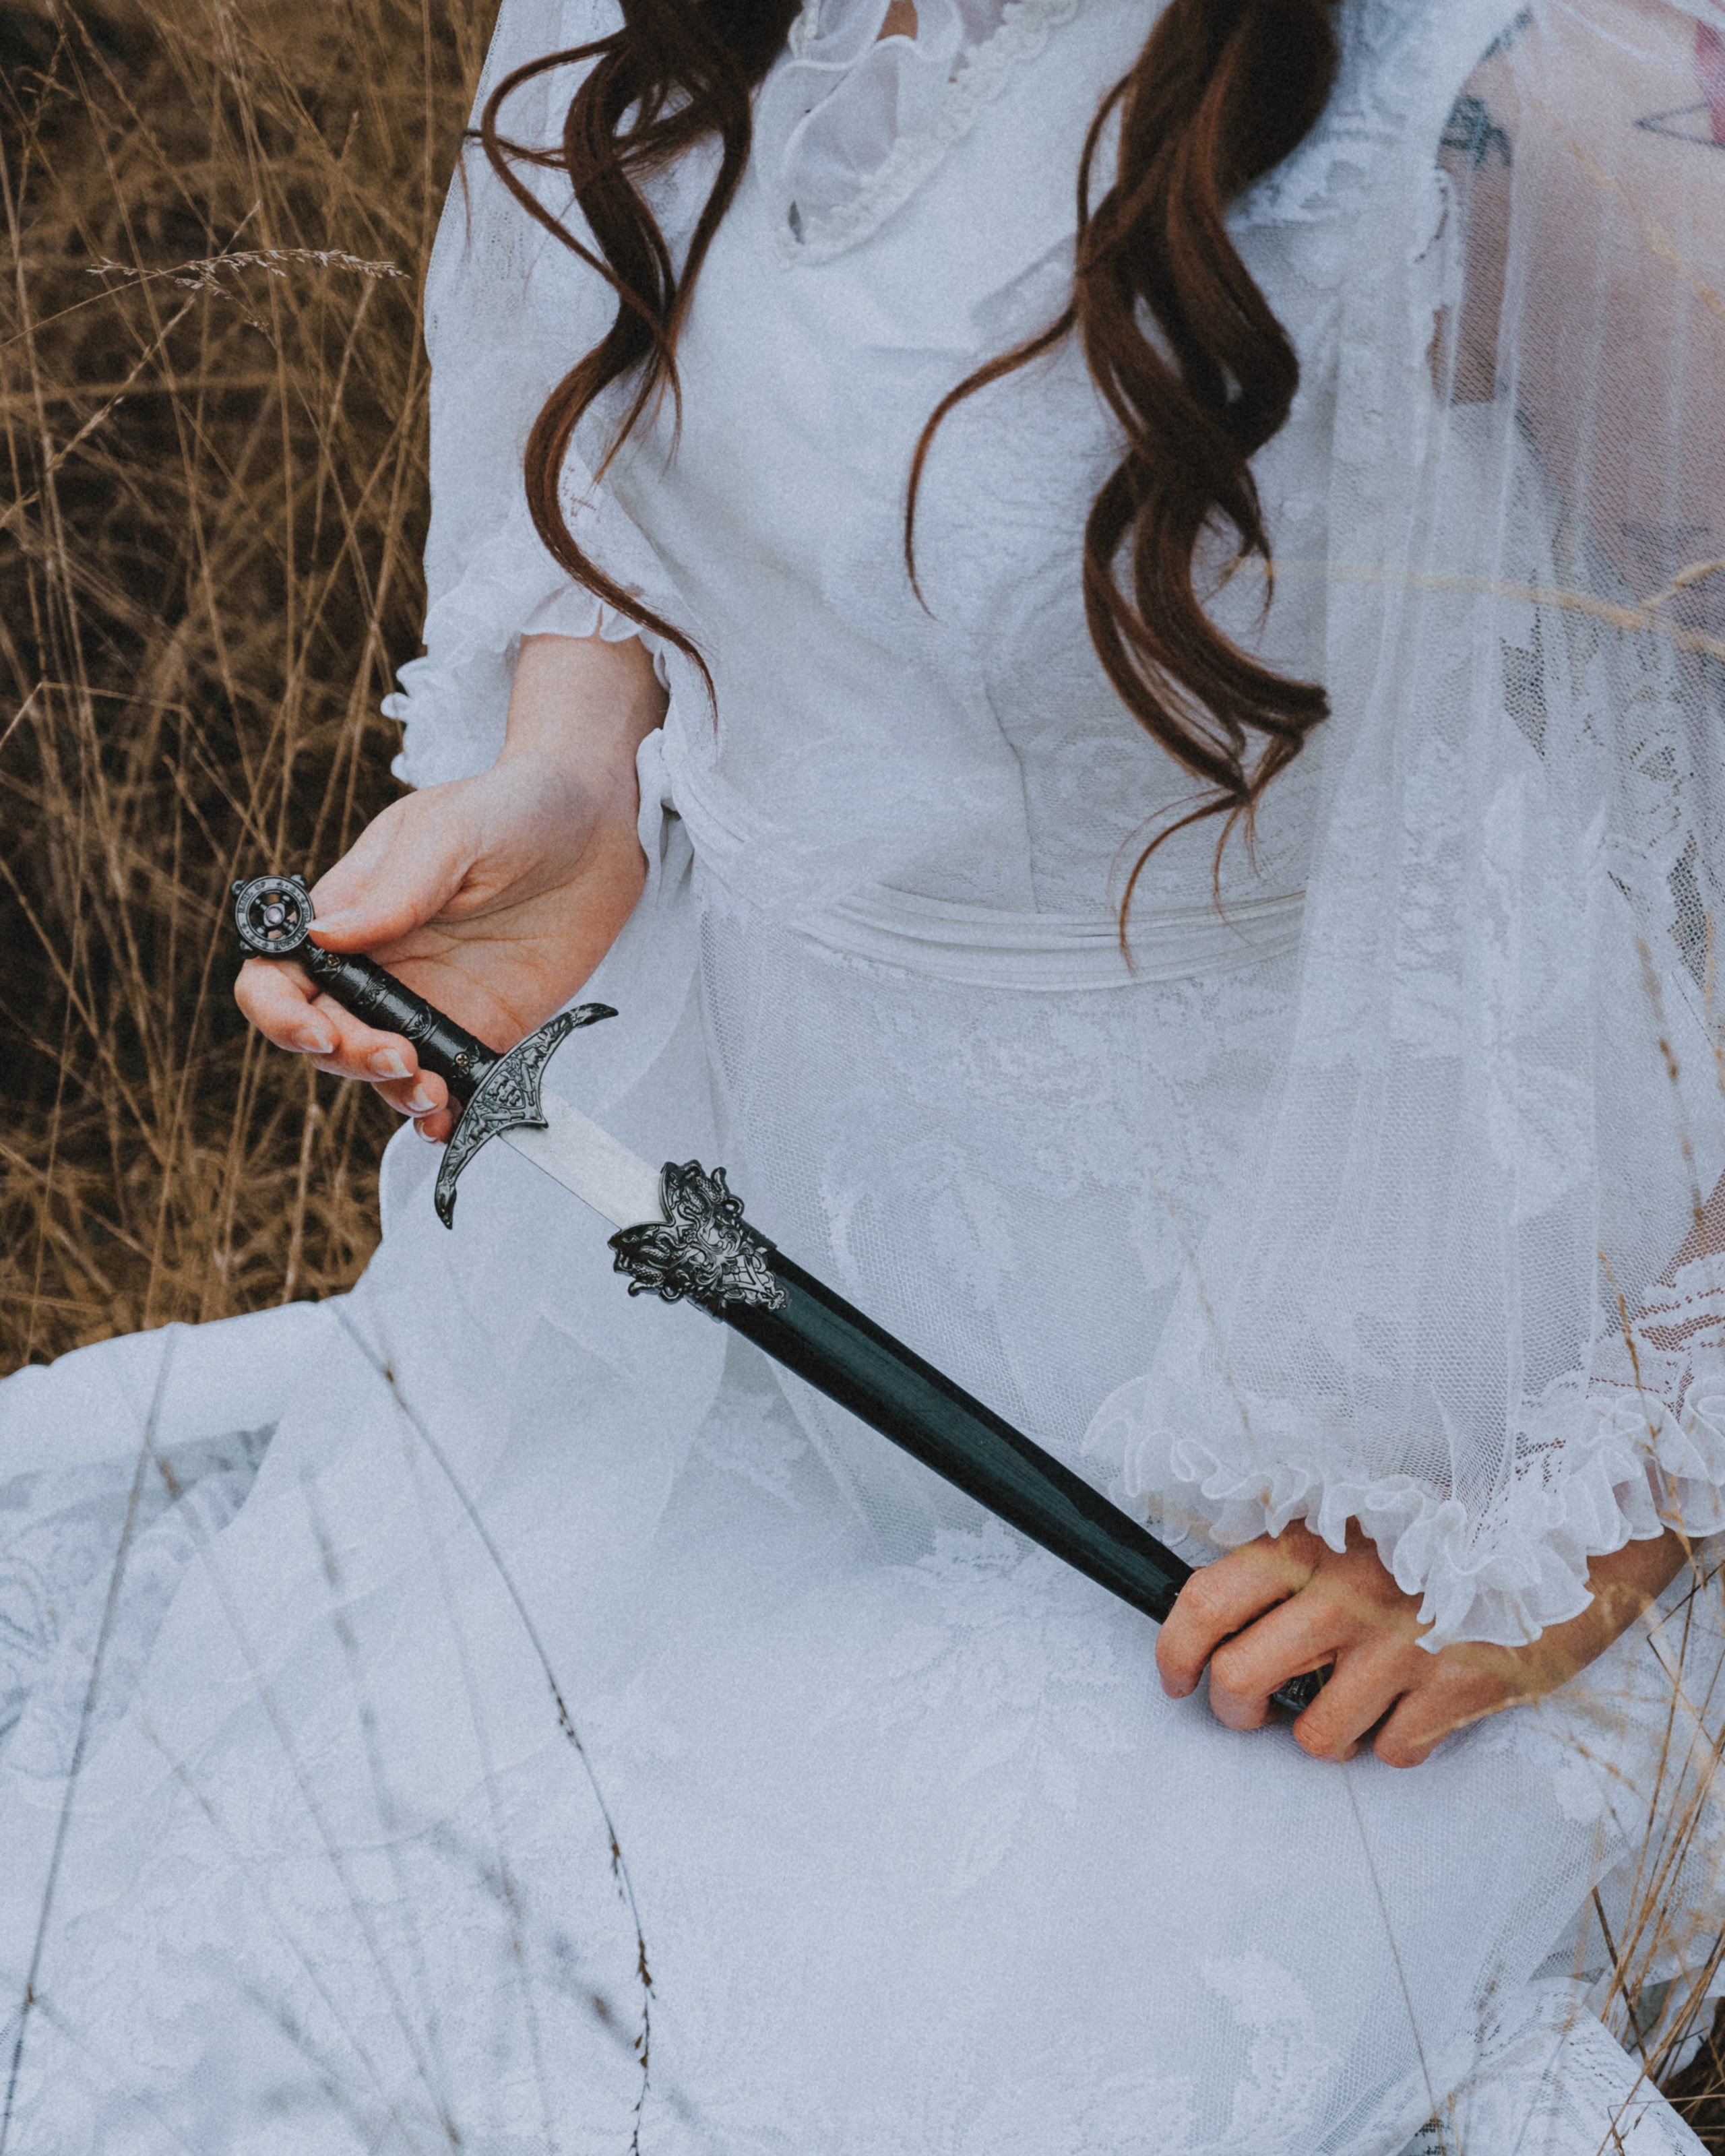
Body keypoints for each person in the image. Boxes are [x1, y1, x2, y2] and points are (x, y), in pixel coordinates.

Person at [3, 0, 1725, 2147]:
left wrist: (1588, 1526)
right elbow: (623, 461)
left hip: (1313, 1465)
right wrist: (571, 788)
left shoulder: (1508, 94)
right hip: (736, 1308)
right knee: (256, 1973)